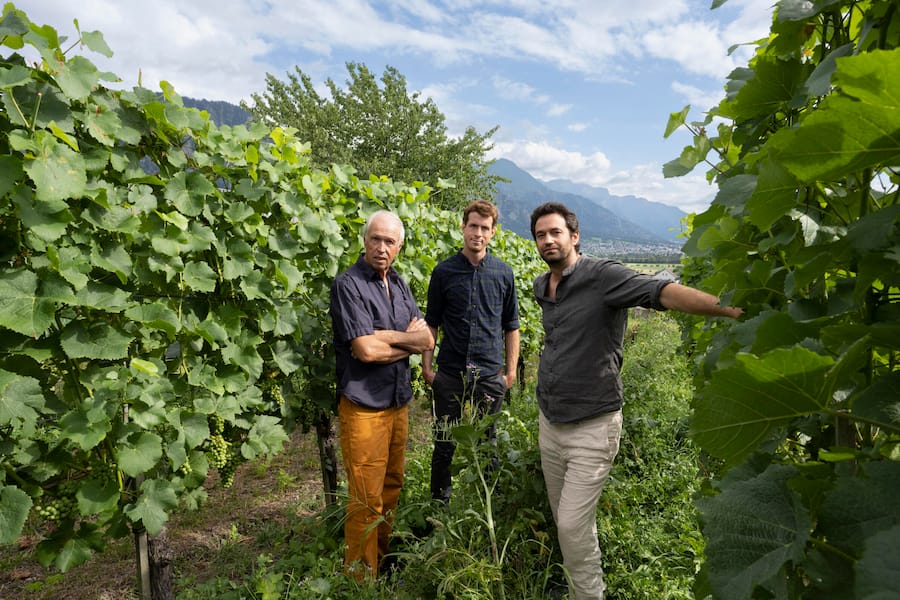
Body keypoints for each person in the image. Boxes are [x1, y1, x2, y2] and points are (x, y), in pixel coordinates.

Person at [528, 202, 742, 600]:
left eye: (555, 232)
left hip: (592, 425)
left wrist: (730, 308)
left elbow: (660, 292)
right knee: (567, 520)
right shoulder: (544, 287)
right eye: (541, 234)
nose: (548, 240)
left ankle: (588, 594)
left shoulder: (603, 276)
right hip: (550, 423)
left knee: (572, 525)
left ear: (574, 236)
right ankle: (579, 581)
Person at [329, 210, 435, 580]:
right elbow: (366, 351)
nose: (381, 247)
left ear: (399, 247)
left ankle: (383, 565)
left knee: (391, 487)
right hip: (364, 408)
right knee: (365, 500)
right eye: (376, 239)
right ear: (364, 240)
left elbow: (428, 339)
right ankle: (360, 580)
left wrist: (383, 334)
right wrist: (407, 341)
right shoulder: (348, 285)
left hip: (397, 401)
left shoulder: (401, 284)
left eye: (389, 241)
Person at [422, 199, 520, 503]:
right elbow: (432, 324)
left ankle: (485, 503)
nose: (478, 233)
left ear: (492, 233)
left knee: (487, 442)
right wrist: (428, 370)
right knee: (444, 442)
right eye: (473, 226)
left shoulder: (504, 274)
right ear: (463, 227)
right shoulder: (444, 272)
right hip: (450, 373)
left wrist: (511, 372)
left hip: (489, 375)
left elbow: (511, 326)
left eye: (484, 228)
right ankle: (440, 505)